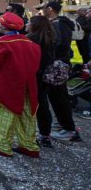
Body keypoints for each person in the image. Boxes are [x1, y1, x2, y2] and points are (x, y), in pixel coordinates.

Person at [0, 12, 41, 158]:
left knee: (7, 113)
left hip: (8, 83)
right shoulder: (31, 43)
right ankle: (29, 145)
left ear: (4, 27)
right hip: (28, 84)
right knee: (27, 114)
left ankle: (3, 145)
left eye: (0, 24)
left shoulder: (2, 42)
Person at [42, 1, 80, 141]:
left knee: (59, 96)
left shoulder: (58, 24)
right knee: (56, 96)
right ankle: (64, 123)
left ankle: (69, 129)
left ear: (50, 9)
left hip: (57, 64)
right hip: (58, 63)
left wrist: (48, 52)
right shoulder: (58, 23)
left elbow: (61, 45)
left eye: (44, 9)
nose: (42, 11)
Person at [27, 15, 61, 148]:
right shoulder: (50, 38)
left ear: (35, 25)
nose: (27, 24)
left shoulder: (30, 39)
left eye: (29, 22)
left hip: (33, 75)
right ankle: (45, 134)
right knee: (43, 105)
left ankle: (28, 135)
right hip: (45, 76)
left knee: (29, 105)